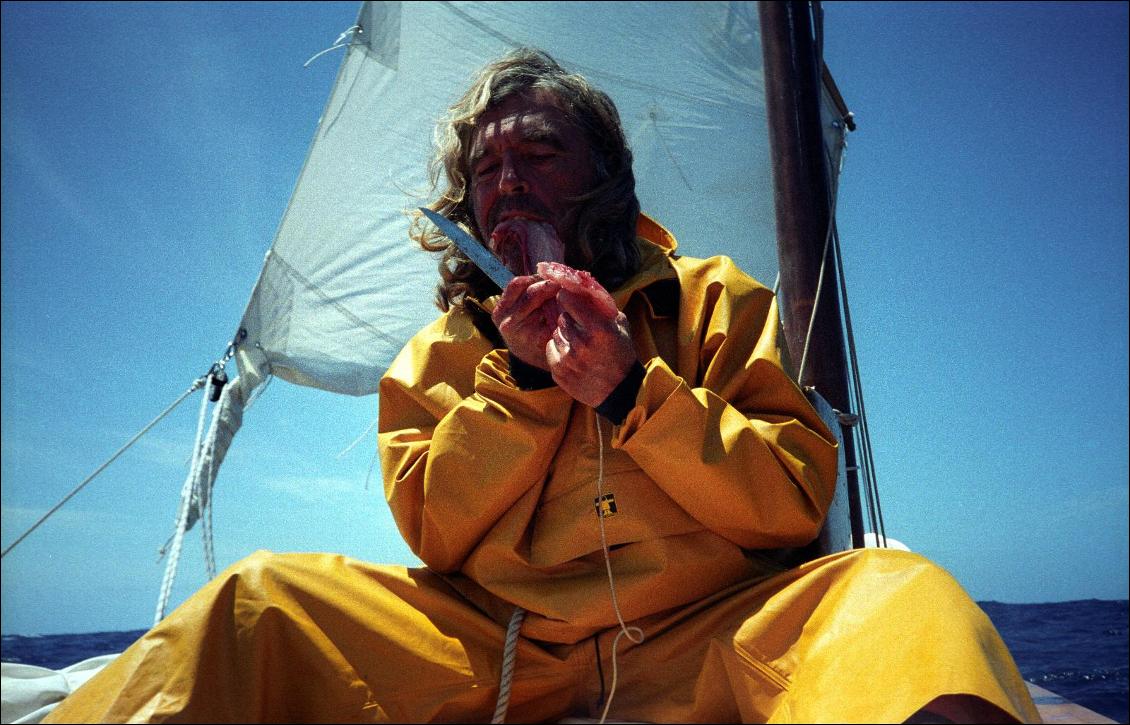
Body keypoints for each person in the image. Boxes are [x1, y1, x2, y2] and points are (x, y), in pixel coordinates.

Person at [45, 48, 1040, 724]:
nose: (506, 180)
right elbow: (434, 533)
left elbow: (788, 501)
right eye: (485, 168)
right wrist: (520, 383)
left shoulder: (716, 302)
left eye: (537, 151)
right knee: (254, 599)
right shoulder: (436, 354)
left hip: (709, 635)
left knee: (905, 597)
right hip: (495, 644)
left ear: (601, 173)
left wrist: (631, 391)